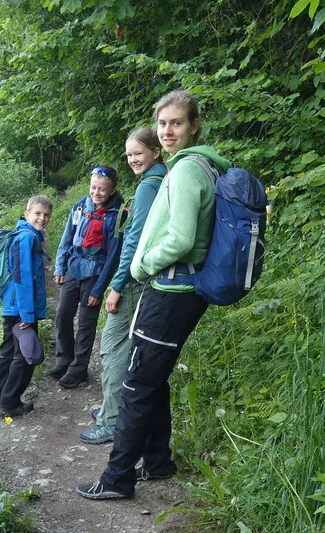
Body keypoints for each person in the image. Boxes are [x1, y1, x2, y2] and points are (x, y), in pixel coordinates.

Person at [77, 89, 229, 499]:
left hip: (172, 291)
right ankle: (158, 462)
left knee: (136, 384)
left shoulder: (185, 172)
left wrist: (138, 267)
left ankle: (116, 478)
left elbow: (180, 239)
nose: (167, 131)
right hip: (182, 291)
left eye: (176, 123)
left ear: (194, 125)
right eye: (162, 123)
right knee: (153, 378)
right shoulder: (200, 167)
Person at [80, 128, 166, 445]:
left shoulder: (148, 188)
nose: (132, 159)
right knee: (123, 347)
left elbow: (134, 239)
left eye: (138, 153)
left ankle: (110, 421)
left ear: (156, 151)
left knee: (113, 348)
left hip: (133, 281)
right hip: (148, 278)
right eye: (128, 154)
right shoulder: (162, 179)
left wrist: (116, 285)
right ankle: (112, 408)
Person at [47, 166, 126, 389]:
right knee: (62, 315)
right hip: (74, 266)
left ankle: (79, 369)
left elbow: (113, 256)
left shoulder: (117, 214)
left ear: (111, 191)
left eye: (102, 189)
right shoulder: (81, 205)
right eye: (93, 187)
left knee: (85, 323)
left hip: (95, 272)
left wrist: (98, 290)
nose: (96, 193)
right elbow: (67, 237)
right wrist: (60, 267)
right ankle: (64, 359)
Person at [0, 195, 53, 418]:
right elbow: (22, 276)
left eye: (46, 215)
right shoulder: (25, 238)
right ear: (27, 215)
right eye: (37, 214)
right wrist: (27, 314)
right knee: (25, 356)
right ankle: (9, 403)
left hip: (13, 306)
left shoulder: (27, 235)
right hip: (21, 309)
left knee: (7, 354)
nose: (41, 218)